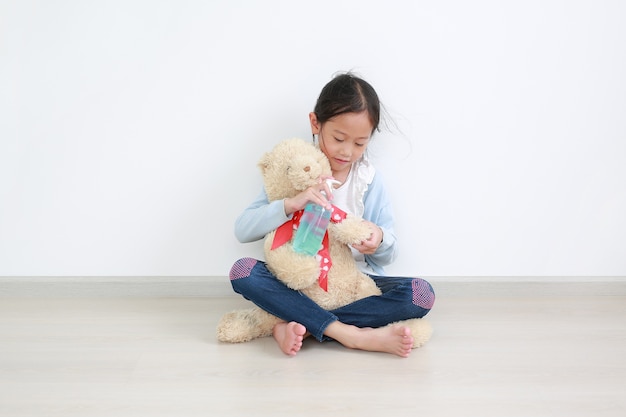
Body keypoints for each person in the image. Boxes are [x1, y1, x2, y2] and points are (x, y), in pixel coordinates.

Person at [229, 72, 435, 358]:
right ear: (316, 123)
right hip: (298, 281)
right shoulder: (294, 169)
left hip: (353, 286)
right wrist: (290, 204)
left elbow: (386, 256)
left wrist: (379, 240)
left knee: (420, 293)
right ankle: (350, 334)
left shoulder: (368, 181)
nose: (347, 151)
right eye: (339, 138)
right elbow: (243, 230)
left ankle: (294, 319)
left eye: (360, 143)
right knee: (244, 272)